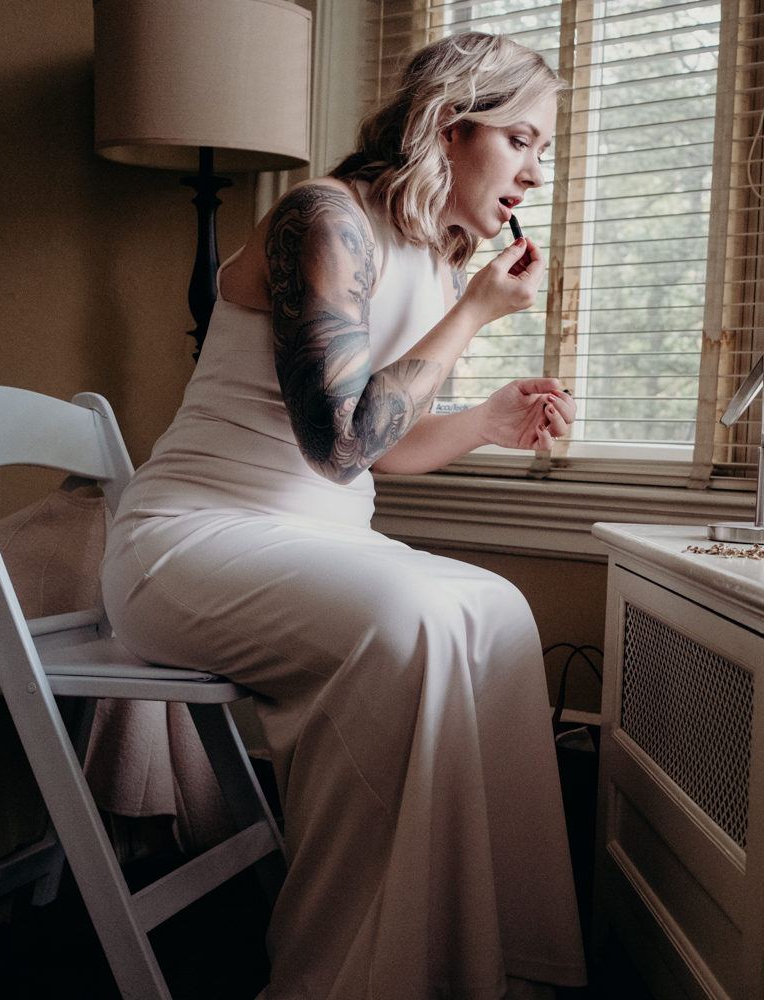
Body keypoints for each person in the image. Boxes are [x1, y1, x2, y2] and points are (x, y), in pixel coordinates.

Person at [99, 31, 587, 1000]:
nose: (536, 173)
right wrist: (476, 319)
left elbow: (390, 445)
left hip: (313, 540)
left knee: (496, 611)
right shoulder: (323, 219)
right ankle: (343, 976)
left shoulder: (431, 256)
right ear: (451, 124)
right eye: (523, 140)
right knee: (405, 620)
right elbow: (342, 445)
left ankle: (494, 961)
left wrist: (490, 422)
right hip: (191, 539)